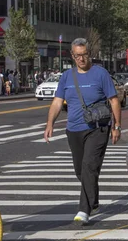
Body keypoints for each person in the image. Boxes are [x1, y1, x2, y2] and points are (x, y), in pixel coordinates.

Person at [44, 38, 122, 225]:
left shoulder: (100, 73)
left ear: (90, 54)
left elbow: (114, 100)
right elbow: (57, 102)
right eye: (77, 56)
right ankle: (93, 200)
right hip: (74, 130)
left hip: (97, 129)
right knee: (81, 170)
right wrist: (49, 123)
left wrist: (117, 126)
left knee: (89, 166)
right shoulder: (66, 76)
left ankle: (84, 210)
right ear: (72, 56)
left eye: (84, 55)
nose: (81, 59)